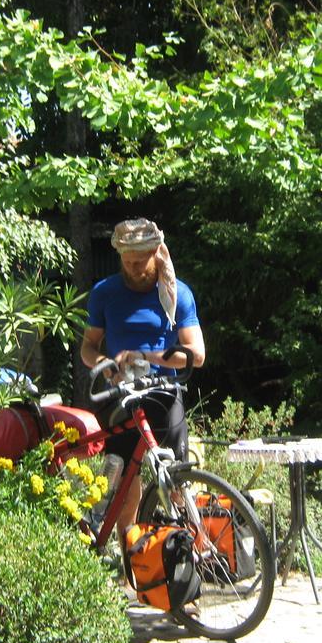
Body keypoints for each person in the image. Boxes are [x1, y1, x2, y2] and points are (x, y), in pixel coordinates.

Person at [80, 218, 206, 543]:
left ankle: (187, 557)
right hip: (120, 394)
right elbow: (88, 347)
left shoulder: (177, 293)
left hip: (164, 393)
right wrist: (106, 363)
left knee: (177, 480)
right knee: (123, 481)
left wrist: (145, 356)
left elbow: (196, 354)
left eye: (140, 261)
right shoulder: (105, 293)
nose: (134, 268)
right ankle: (131, 563)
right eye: (127, 261)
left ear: (155, 253)